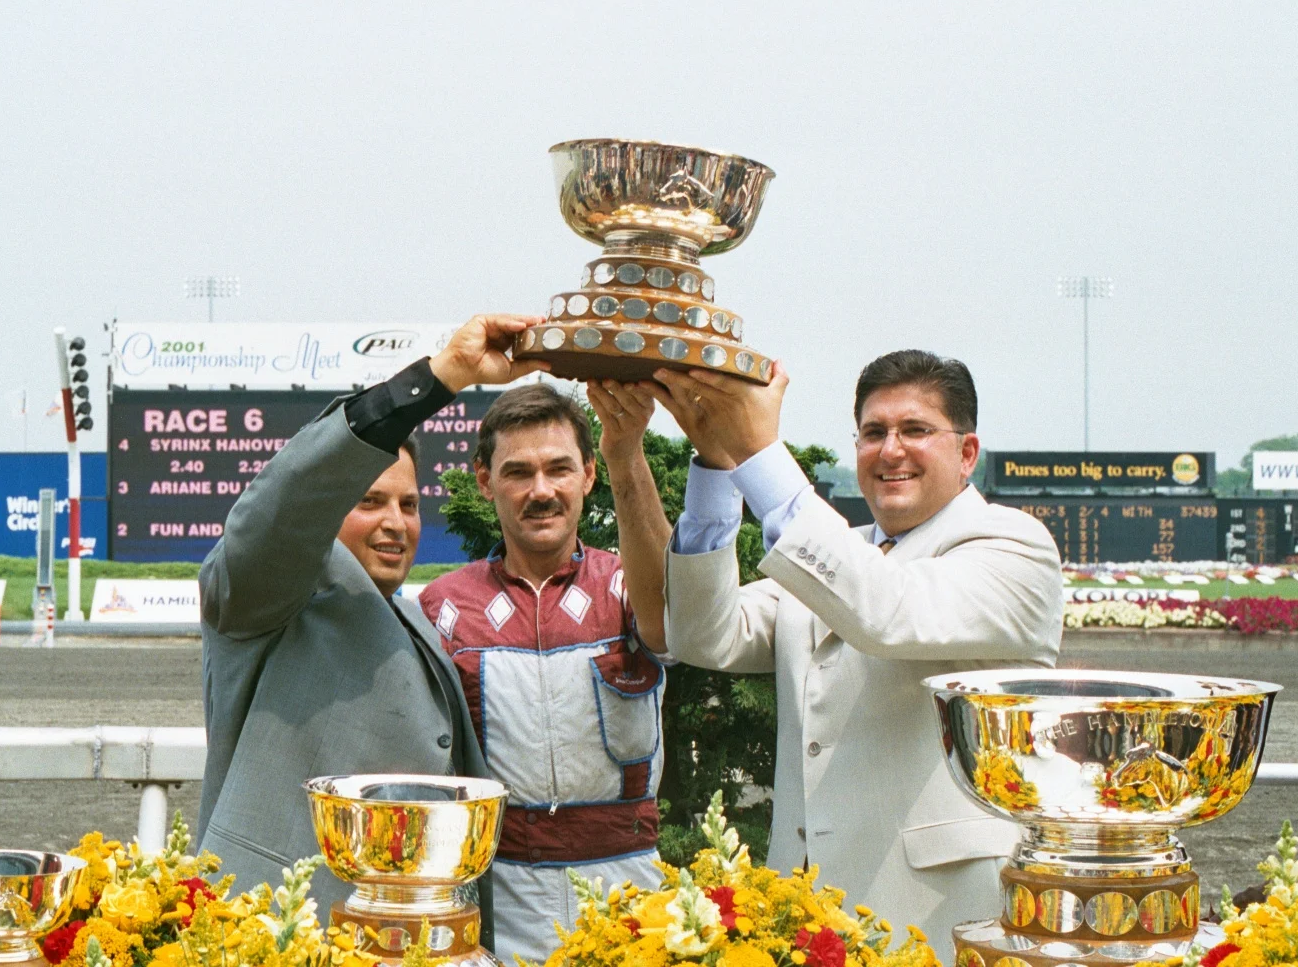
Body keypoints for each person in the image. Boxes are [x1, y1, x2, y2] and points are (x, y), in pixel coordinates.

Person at [620, 349, 1063, 962]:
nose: (891, 450)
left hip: (943, 914)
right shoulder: (839, 552)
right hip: (806, 913)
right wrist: (717, 468)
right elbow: (703, 635)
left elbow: (885, 613)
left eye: (915, 430)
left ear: (967, 453)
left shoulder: (1014, 547)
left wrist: (759, 454)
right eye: (873, 433)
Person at [195, 313, 546, 939]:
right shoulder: (265, 596)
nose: (396, 523)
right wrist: (440, 378)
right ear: (328, 508)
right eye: (369, 501)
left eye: (409, 505)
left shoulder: (417, 618)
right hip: (283, 933)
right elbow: (288, 503)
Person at [417, 380, 671, 965]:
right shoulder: (441, 607)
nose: (541, 491)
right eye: (518, 472)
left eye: (559, 469)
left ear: (588, 475)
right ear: (485, 481)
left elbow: (673, 621)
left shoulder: (628, 584)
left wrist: (626, 451)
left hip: (630, 890)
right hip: (497, 896)